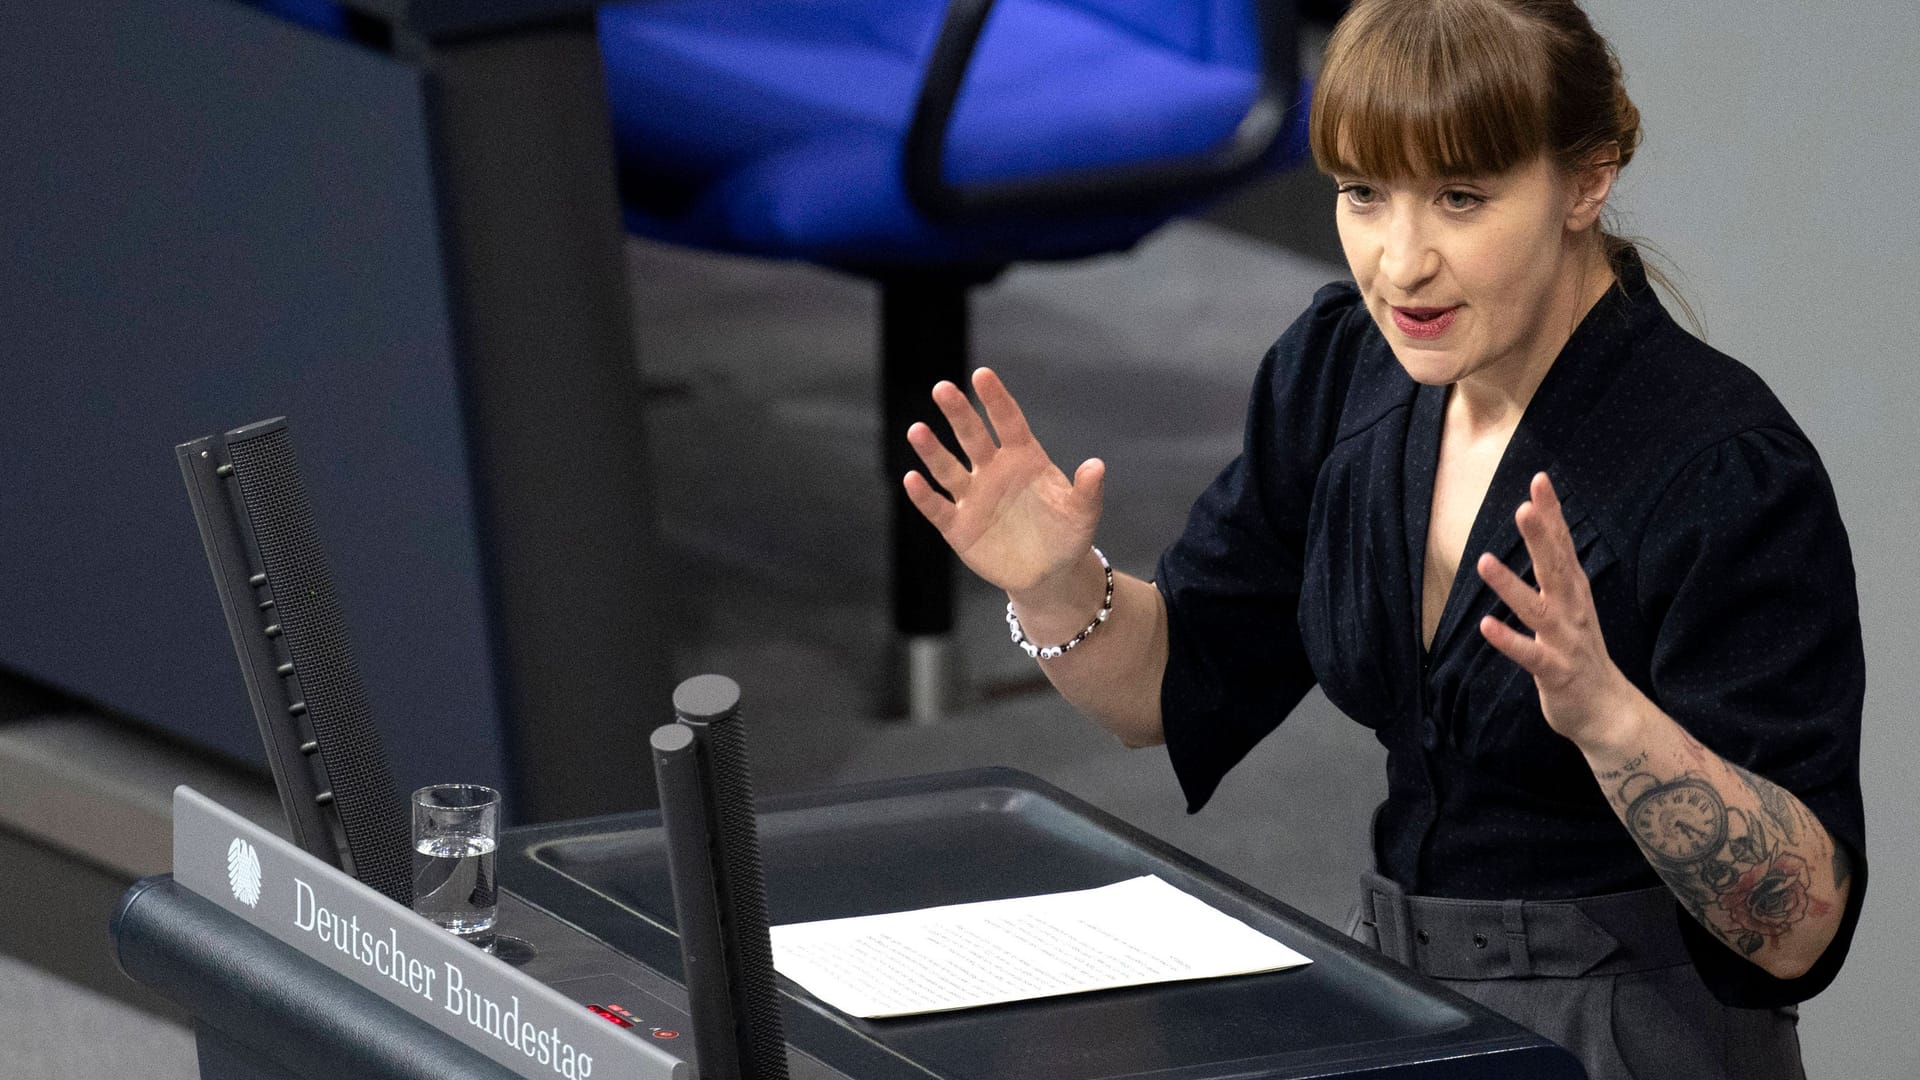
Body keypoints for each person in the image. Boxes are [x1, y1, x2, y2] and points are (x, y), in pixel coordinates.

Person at [899, 1, 1867, 1077]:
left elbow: (1799, 925)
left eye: (1461, 198)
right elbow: (1172, 685)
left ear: (1585, 183)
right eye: (1365, 194)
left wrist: (1610, 721)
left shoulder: (1722, 470)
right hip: (1402, 994)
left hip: (1636, 1031)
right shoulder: (1341, 368)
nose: (1400, 264)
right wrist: (1057, 585)